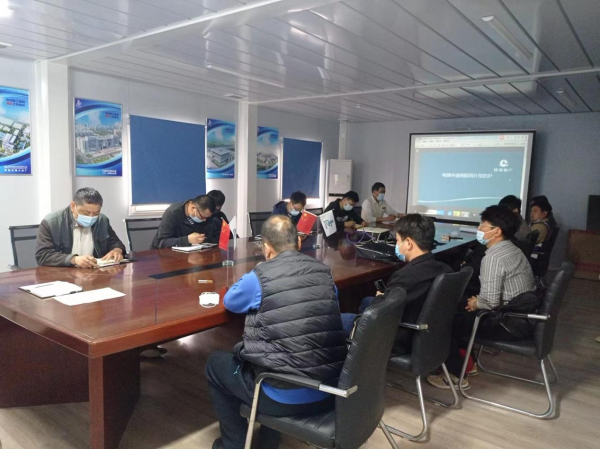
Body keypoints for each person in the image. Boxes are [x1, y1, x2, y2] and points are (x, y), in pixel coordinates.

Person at [206, 215, 347, 449]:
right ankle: (269, 441)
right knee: (282, 351)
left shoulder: (260, 277)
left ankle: (234, 445)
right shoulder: (324, 272)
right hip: (328, 388)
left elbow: (231, 301)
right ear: (299, 242)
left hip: (280, 397)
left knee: (215, 364)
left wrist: (259, 270)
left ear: (266, 248)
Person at [427, 205, 536, 390]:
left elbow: (489, 302)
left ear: (497, 231)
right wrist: (475, 302)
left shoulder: (493, 257)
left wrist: (476, 302)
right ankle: (469, 365)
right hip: (523, 317)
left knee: (446, 320)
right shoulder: (513, 249)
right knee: (460, 310)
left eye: (482, 225)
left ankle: (455, 375)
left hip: (508, 322)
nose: (478, 228)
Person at [340, 214, 452, 356]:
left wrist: (381, 298)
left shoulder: (406, 276)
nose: (396, 245)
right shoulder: (445, 269)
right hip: (427, 333)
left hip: (397, 337)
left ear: (408, 243)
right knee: (366, 301)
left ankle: (357, 356)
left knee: (333, 320)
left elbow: (382, 311)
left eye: (398, 241)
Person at [35, 187, 126, 268]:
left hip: (94, 273)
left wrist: (117, 251)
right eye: (86, 213)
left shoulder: (101, 220)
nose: (91, 217)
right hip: (63, 275)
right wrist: (74, 259)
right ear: (73, 206)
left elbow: (115, 243)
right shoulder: (52, 222)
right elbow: (43, 255)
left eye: (96, 213)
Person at [151, 195, 216, 249]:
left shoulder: (206, 216)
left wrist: (203, 239)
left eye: (207, 218)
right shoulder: (173, 213)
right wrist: (187, 240)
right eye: (203, 217)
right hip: (164, 254)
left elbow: (210, 237)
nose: (204, 220)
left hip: (192, 254)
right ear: (193, 208)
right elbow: (162, 242)